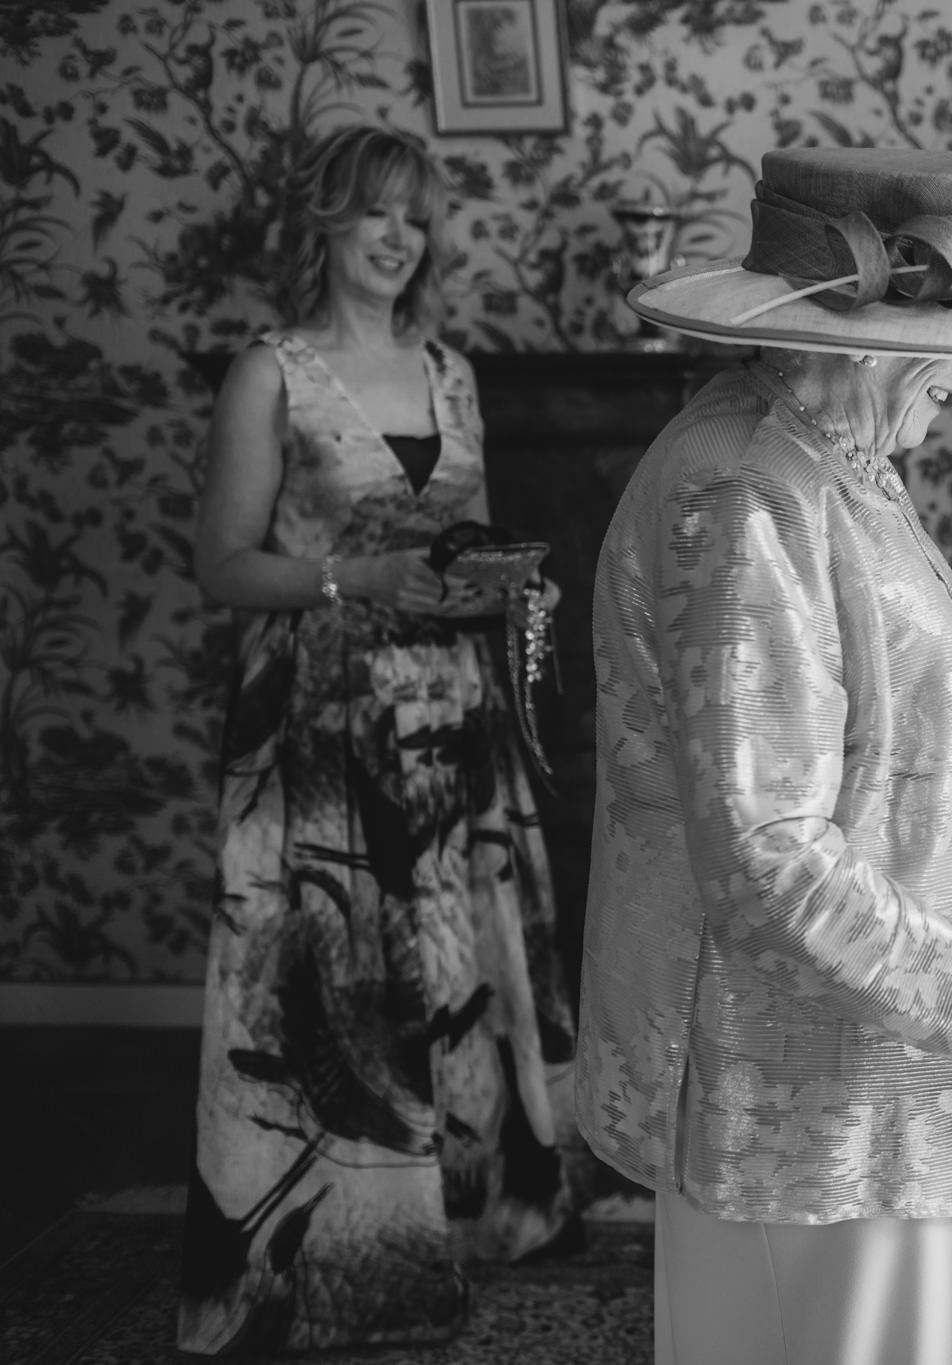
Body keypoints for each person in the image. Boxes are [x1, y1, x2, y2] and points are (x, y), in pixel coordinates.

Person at [576, 145, 952, 1365]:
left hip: (887, 1062)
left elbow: (873, 715)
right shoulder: (746, 495)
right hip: (803, 1095)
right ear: (858, 335)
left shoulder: (832, 461)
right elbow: (766, 860)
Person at [181, 125, 580, 1353]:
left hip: (450, 719)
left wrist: (516, 588)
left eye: (415, 216)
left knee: (455, 971)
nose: (398, 238)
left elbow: (459, 548)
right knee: (335, 981)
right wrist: (353, 578)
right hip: (319, 719)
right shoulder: (273, 373)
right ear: (322, 230)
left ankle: (467, 1220)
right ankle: (326, 1249)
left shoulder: (450, 371)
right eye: (372, 215)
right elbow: (221, 566)